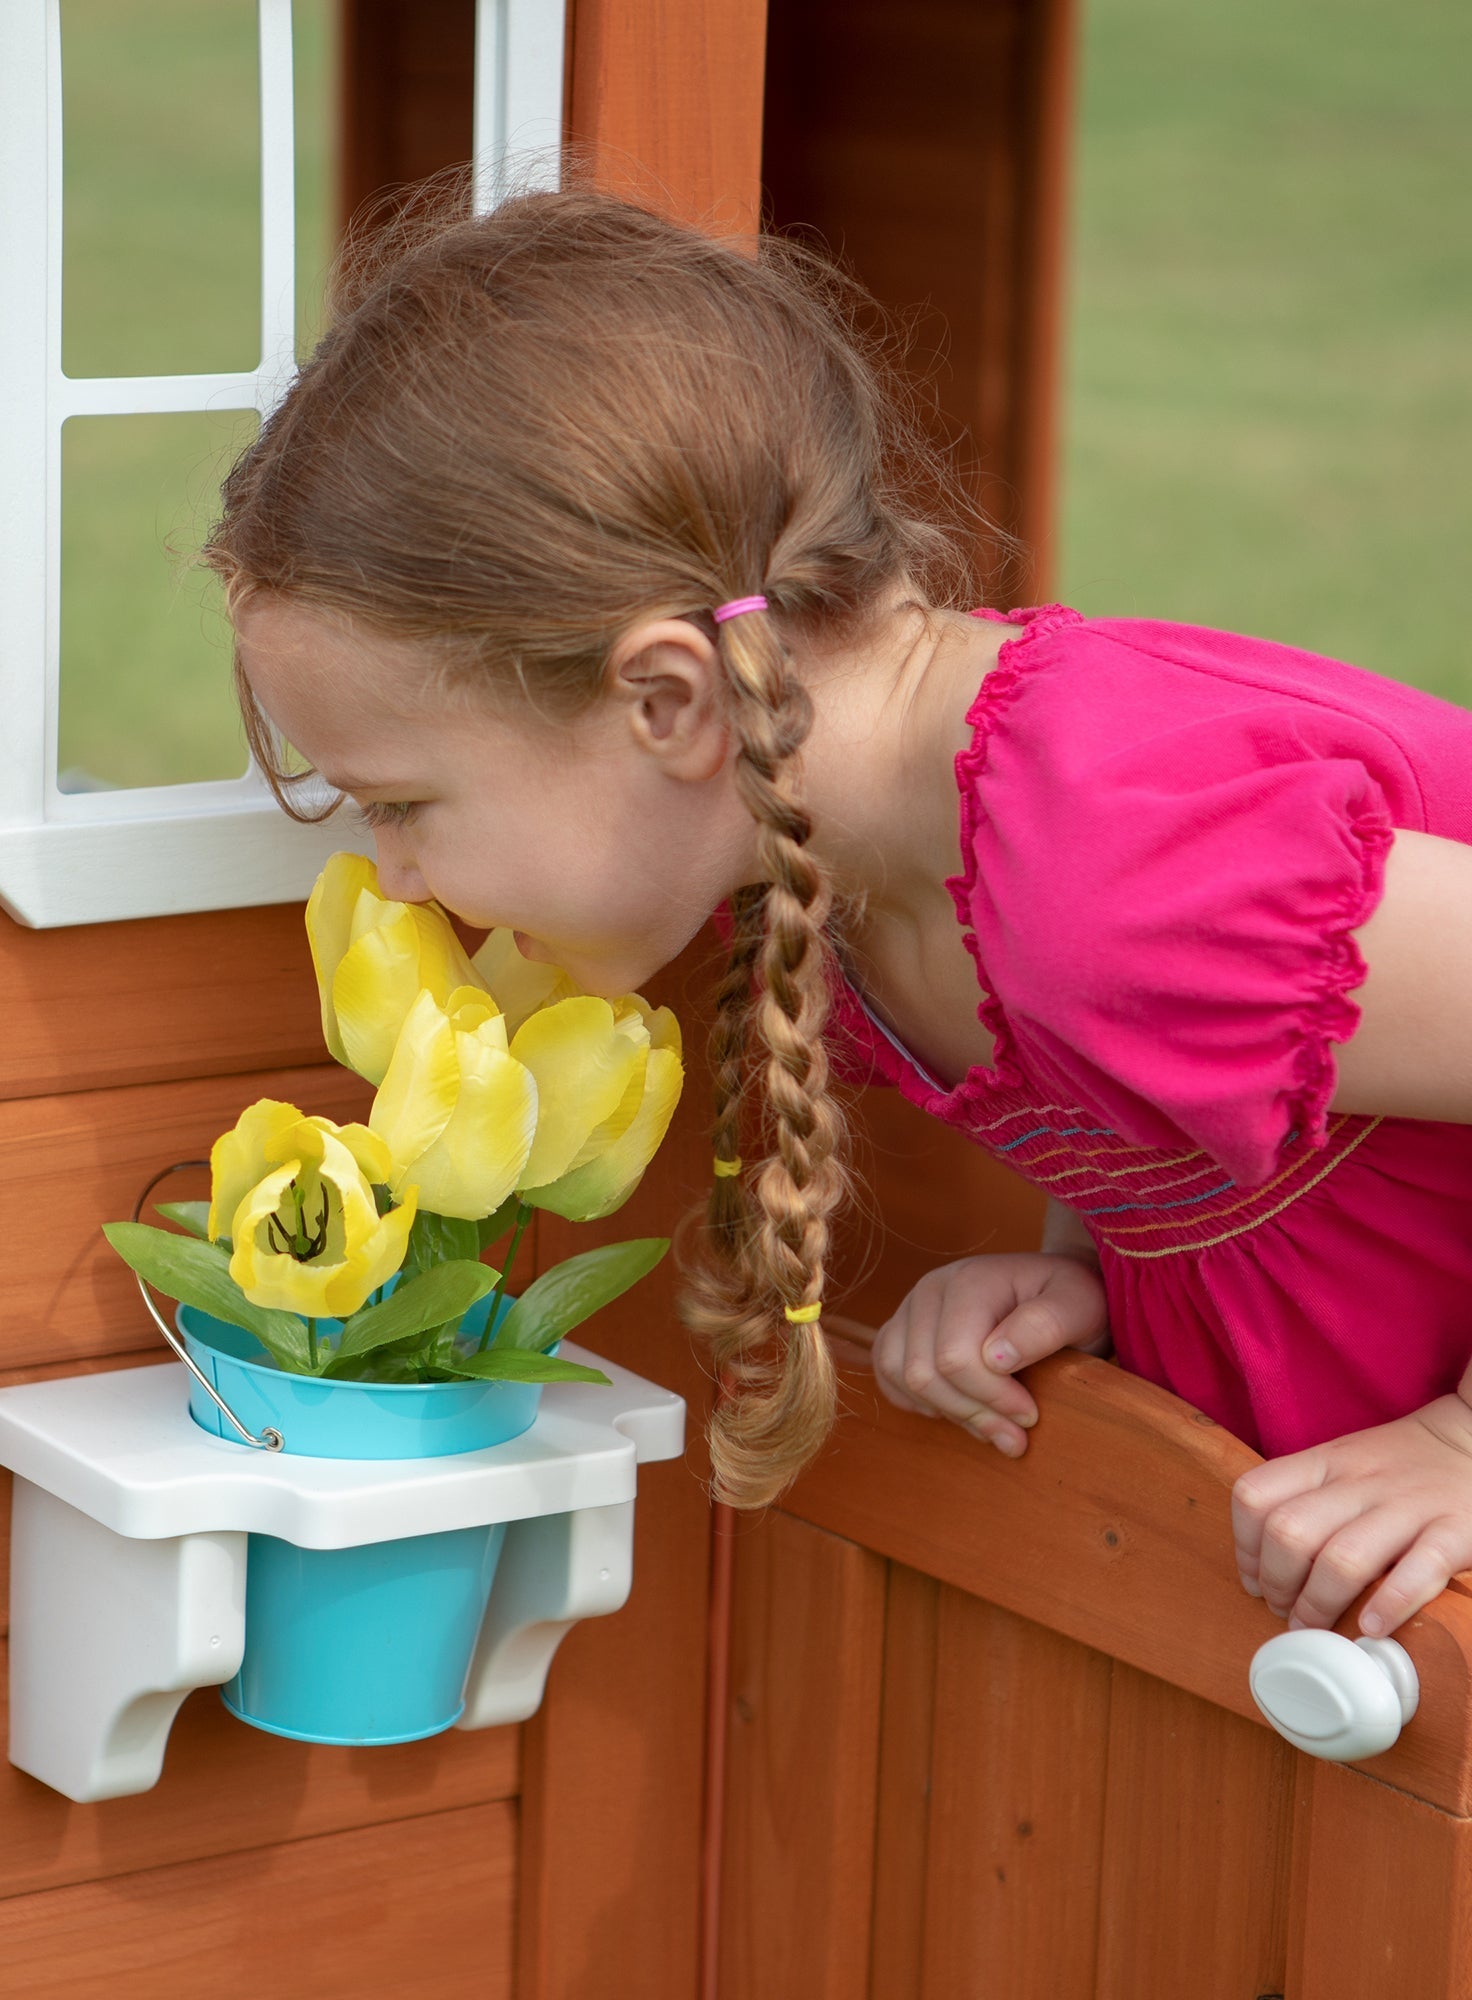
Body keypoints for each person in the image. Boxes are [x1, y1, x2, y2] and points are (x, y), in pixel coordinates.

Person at [201, 182, 1472, 1643]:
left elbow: (1139, 971)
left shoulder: (1111, 878)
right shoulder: (862, 868)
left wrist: (1461, 1451)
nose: (399, 876)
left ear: (667, 702)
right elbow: (1192, 1067)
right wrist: (1090, 1274)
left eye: (404, 803)